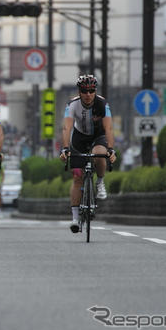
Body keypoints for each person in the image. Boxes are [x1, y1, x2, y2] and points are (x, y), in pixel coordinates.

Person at [59, 74, 117, 233]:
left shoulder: (102, 103)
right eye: (84, 91)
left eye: (91, 91)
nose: (88, 95)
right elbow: (66, 128)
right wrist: (65, 149)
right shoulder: (72, 104)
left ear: (95, 91)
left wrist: (111, 149)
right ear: (79, 92)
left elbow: (109, 128)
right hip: (79, 138)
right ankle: (75, 219)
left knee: (100, 153)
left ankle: (100, 182)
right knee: (77, 176)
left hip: (98, 136)